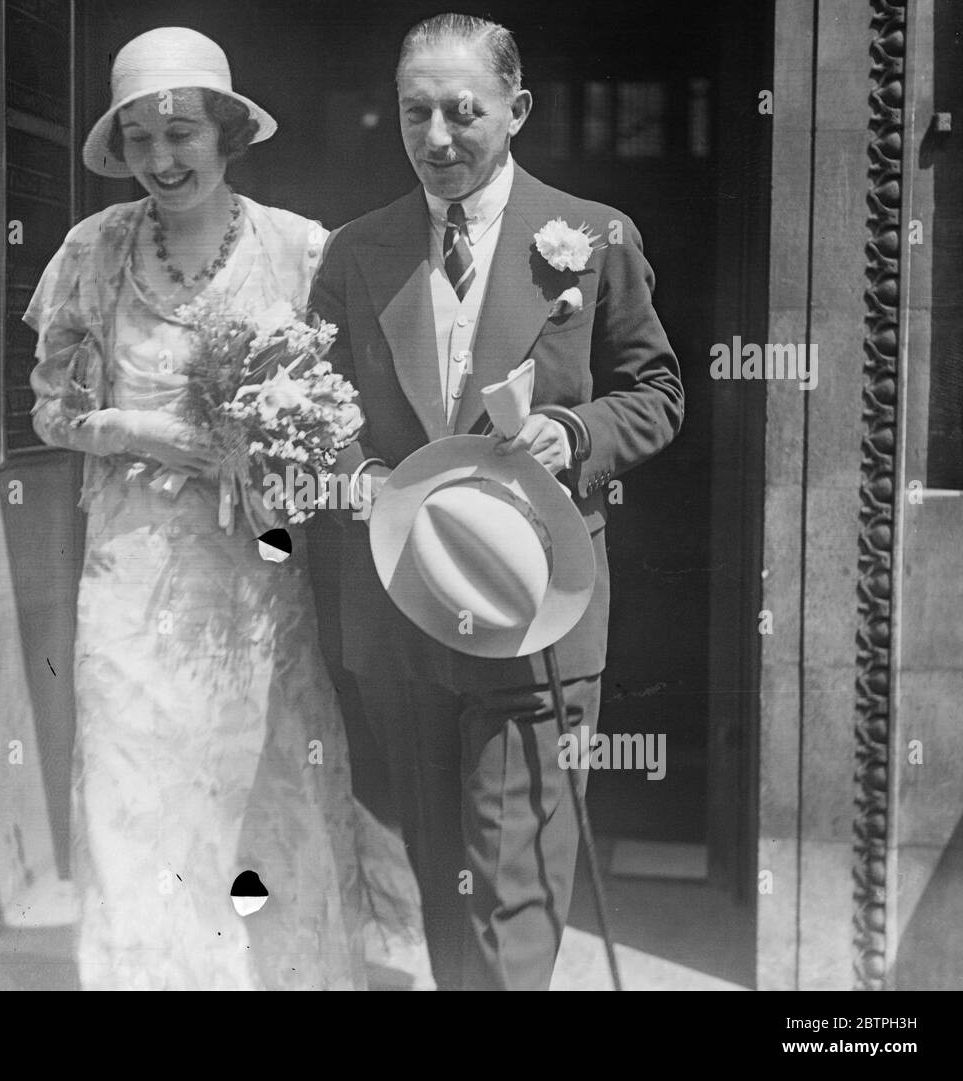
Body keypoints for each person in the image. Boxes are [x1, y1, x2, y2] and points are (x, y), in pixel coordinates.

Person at [309, 13, 685, 990]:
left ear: (515, 111)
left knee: (516, 880)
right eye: (414, 112)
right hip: (402, 608)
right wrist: (354, 473)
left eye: (462, 111)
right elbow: (316, 405)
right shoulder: (356, 253)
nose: (436, 137)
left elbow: (657, 392)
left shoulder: (592, 237)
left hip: (536, 606)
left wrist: (576, 434)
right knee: (447, 879)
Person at [23, 26, 372, 990]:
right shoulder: (91, 253)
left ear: (225, 133)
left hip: (254, 577)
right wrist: (154, 435)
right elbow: (51, 411)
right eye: (139, 139)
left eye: (180, 133)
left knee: (268, 797)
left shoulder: (300, 250)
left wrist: (285, 452)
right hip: (132, 570)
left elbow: (343, 414)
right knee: (136, 797)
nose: (162, 160)